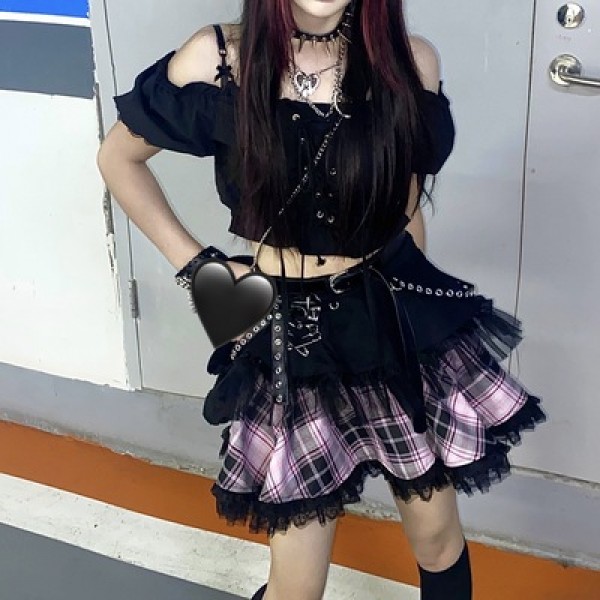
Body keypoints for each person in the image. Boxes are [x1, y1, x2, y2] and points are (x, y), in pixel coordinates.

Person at [97, 1, 548, 598]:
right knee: (296, 583)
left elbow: (406, 205)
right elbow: (118, 159)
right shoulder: (220, 58)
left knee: (437, 536)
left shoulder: (409, 62)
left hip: (381, 313)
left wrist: (413, 326)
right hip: (290, 335)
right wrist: (200, 269)